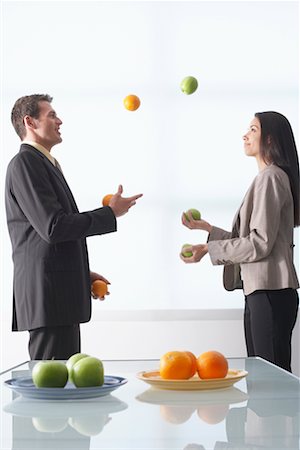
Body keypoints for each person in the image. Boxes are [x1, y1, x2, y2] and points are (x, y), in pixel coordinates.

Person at [5, 94, 143, 360]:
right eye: (52, 115)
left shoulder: (44, 163)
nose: (60, 121)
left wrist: (82, 272)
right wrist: (109, 213)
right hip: (48, 298)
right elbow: (54, 227)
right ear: (30, 121)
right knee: (50, 388)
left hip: (56, 296)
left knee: (61, 386)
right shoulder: (26, 163)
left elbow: (45, 238)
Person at [180, 111, 299, 372]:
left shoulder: (270, 177)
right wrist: (207, 230)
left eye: (254, 130)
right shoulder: (270, 177)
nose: (245, 135)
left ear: (270, 140)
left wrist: (208, 250)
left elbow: (259, 243)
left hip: (270, 292)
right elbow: (254, 239)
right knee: (263, 378)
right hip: (264, 291)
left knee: (269, 381)